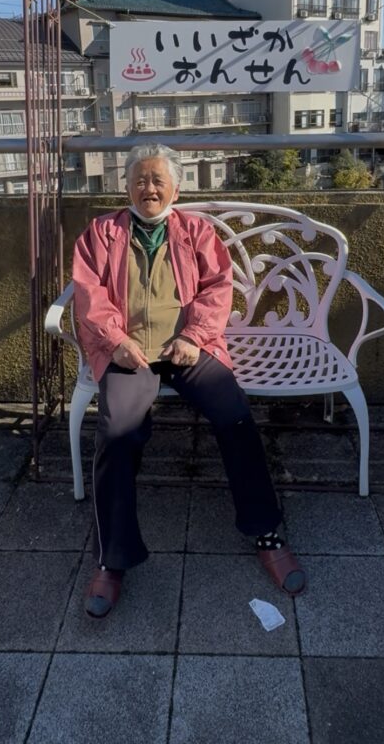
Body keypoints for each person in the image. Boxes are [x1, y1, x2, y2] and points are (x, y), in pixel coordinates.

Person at [72, 143, 306, 618]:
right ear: (127, 186)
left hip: (187, 349)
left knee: (234, 416)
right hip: (129, 351)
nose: (148, 188)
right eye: (140, 179)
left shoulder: (196, 231)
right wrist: (116, 341)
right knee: (116, 434)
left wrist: (194, 336)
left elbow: (219, 288)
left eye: (158, 180)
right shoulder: (101, 233)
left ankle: (266, 531)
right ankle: (112, 558)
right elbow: (88, 295)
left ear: (176, 189)